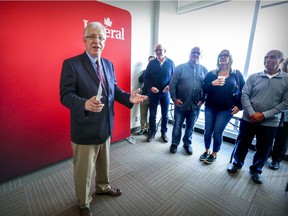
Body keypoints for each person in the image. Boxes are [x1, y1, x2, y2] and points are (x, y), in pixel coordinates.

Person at [59, 22, 147, 216]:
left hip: (106, 125)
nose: (96, 41)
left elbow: (113, 89)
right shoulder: (71, 64)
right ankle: (83, 203)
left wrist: (128, 98)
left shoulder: (108, 64)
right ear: (84, 40)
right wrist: (84, 104)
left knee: (103, 164)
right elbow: (65, 95)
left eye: (100, 37)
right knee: (84, 170)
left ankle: (103, 187)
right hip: (85, 128)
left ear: (105, 41)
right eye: (91, 36)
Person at [227, 50, 288, 184]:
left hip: (270, 122)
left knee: (264, 148)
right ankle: (236, 163)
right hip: (248, 118)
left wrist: (264, 115)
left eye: (272, 57)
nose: (268, 60)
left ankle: (256, 170)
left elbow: (286, 102)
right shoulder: (254, 77)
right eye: (266, 57)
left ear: (281, 61)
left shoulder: (286, 80)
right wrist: (252, 113)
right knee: (242, 143)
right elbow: (244, 95)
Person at [201, 50, 245, 164]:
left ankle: (214, 153)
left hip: (226, 109)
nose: (223, 57)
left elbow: (244, 91)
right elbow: (204, 89)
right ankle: (206, 150)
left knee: (217, 132)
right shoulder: (212, 73)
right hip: (210, 106)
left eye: (226, 56)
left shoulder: (236, 74)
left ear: (230, 58)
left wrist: (240, 106)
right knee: (207, 131)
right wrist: (212, 84)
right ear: (218, 59)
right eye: (221, 56)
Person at [169, 47, 208, 155]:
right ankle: (174, 143)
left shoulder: (204, 70)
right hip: (181, 104)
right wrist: (174, 99)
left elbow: (207, 88)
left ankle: (187, 144)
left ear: (201, 56)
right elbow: (172, 85)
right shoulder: (180, 68)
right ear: (189, 54)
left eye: (198, 53)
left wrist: (203, 100)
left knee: (190, 127)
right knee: (177, 125)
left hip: (195, 105)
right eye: (193, 52)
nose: (195, 54)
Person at [145, 44, 175, 142]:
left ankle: (164, 133)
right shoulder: (151, 63)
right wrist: (151, 87)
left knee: (165, 114)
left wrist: (169, 86)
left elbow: (174, 78)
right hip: (153, 93)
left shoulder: (170, 63)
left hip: (165, 94)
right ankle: (152, 132)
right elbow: (146, 78)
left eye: (160, 50)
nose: (158, 52)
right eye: (156, 50)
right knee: (152, 114)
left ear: (164, 50)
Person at [269, 58, 288, 170]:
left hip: (286, 116)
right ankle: (265, 155)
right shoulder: (279, 76)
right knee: (268, 136)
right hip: (273, 112)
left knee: (282, 139)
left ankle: (276, 160)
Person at [137, 55, 155, 135]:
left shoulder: (158, 73)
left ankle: (149, 129)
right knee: (143, 113)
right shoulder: (145, 71)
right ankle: (143, 128)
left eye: (152, 61)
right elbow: (140, 80)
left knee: (152, 114)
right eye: (149, 61)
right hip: (144, 96)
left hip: (153, 96)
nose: (150, 62)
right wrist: (146, 71)